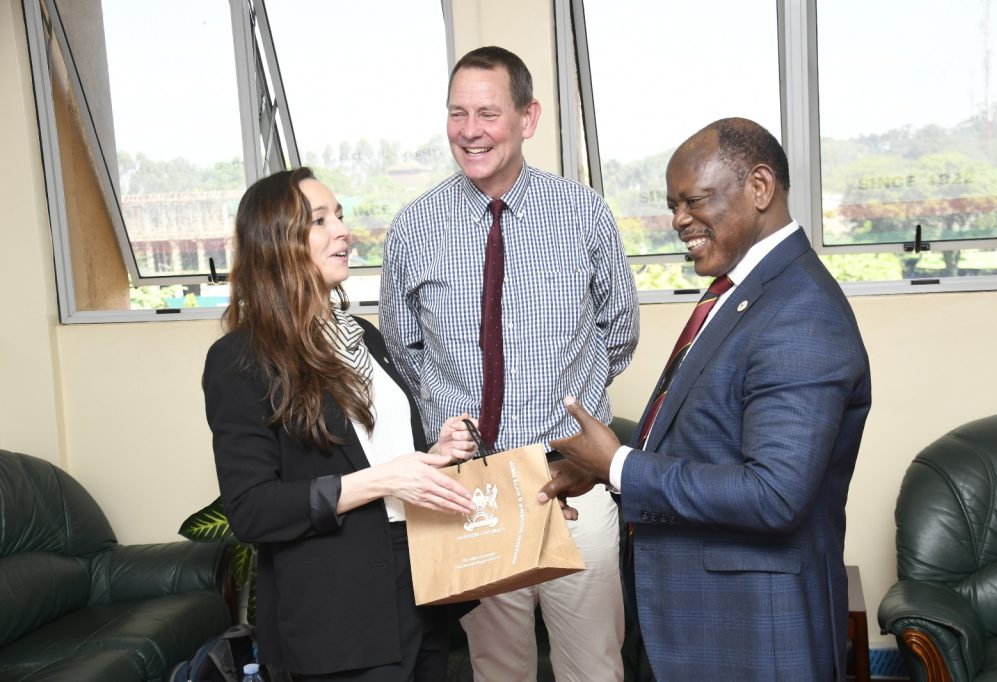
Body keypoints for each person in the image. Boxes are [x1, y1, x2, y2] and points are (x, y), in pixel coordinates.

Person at [539, 118, 872, 681]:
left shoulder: (801, 312)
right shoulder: (740, 292)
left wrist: (619, 465)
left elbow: (772, 495)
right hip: (700, 625)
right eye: (672, 205)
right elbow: (704, 436)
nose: (678, 221)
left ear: (760, 187)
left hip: (754, 635)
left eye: (693, 200)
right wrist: (602, 468)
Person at [379, 46, 638, 681]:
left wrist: (570, 404)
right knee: (497, 670)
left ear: (528, 118)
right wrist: (446, 411)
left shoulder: (583, 215)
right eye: (457, 113)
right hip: (472, 491)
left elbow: (621, 329)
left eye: (489, 112)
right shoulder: (413, 228)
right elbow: (400, 344)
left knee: (594, 668)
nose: (471, 131)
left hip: (570, 480)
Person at [203, 167, 480, 681]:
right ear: (276, 243)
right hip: (338, 615)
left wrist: (434, 448)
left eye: (341, 216)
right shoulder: (239, 359)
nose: (343, 231)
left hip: (419, 582)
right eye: (320, 220)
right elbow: (251, 510)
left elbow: (382, 452)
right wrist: (382, 480)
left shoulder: (363, 337)